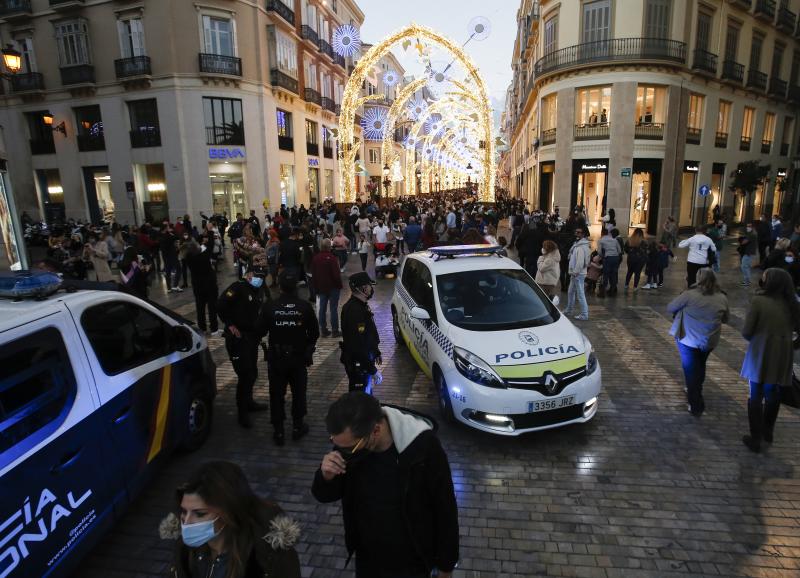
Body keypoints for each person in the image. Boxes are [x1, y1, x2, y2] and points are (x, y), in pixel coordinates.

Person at [311, 392, 459, 578]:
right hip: (368, 559)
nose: (341, 452)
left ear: (376, 431)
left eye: (349, 448)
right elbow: (325, 495)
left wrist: (446, 566)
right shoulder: (350, 446)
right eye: (334, 442)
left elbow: (445, 507)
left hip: (413, 561)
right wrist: (326, 476)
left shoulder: (423, 447)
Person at [161, 461, 301, 578]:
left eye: (200, 514)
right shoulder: (185, 550)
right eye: (184, 511)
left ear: (228, 513)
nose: (186, 522)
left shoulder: (265, 557)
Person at [740, 268, 800, 452]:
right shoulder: (793, 304)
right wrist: (789, 344)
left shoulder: (759, 301)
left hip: (760, 351)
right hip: (782, 354)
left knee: (756, 393)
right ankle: (768, 432)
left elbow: (747, 331)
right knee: (772, 391)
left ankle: (756, 437)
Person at [256, 270, 319, 445]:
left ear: (280, 286)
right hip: (298, 358)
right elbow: (314, 333)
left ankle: (279, 431)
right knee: (299, 393)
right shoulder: (304, 307)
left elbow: (259, 331)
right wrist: (307, 347)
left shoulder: (270, 306)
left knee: (276, 394)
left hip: (276, 359)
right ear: (296, 286)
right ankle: (298, 426)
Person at [667, 268, 730, 416]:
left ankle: (695, 404)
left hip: (688, 339)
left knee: (690, 369)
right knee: (700, 365)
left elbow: (670, 307)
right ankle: (696, 388)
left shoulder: (689, 295)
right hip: (709, 340)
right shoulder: (722, 298)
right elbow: (726, 319)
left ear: (698, 279)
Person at [217, 267, 270, 428]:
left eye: (262, 277)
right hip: (238, 339)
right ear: (248, 275)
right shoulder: (237, 287)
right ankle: (242, 413)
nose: (259, 279)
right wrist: (230, 324)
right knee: (245, 375)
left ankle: (249, 402)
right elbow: (221, 304)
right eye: (257, 276)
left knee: (252, 373)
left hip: (252, 338)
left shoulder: (259, 289)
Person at [339, 272, 382, 393]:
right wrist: (372, 370)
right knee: (360, 398)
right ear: (363, 288)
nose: (371, 289)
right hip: (359, 365)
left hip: (364, 362)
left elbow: (368, 334)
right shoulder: (354, 311)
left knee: (366, 394)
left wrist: (376, 351)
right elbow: (357, 345)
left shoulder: (361, 306)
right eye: (369, 286)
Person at [185, 238, 221, 336]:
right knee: (212, 308)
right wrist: (210, 234)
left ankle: (202, 328)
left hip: (198, 286)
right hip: (210, 286)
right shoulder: (204, 256)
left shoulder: (188, 257)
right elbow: (211, 245)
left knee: (200, 308)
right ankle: (214, 329)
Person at [311, 238, 343, 338]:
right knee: (333, 308)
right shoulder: (332, 258)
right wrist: (339, 285)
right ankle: (335, 330)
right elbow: (336, 274)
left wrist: (315, 288)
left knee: (322, 308)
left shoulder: (316, 258)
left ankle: (323, 330)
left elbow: (314, 275)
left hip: (321, 287)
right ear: (329, 246)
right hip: (333, 287)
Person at [563, 227, 591, 321]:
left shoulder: (581, 247)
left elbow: (580, 262)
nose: (576, 234)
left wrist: (575, 272)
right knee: (571, 292)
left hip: (578, 274)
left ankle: (584, 314)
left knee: (580, 294)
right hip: (575, 273)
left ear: (583, 234)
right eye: (576, 232)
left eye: (579, 232)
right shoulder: (577, 245)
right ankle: (569, 310)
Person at [598, 227, 621, 296]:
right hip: (616, 258)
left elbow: (599, 252)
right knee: (614, 274)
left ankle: (602, 292)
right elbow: (619, 250)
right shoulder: (614, 240)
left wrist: (602, 257)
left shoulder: (601, 240)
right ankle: (612, 291)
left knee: (606, 274)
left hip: (607, 258)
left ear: (602, 233)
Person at [738, 223, 758, 287]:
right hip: (749, 252)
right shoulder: (752, 234)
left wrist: (741, 239)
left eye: (749, 226)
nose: (748, 227)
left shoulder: (752, 235)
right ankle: (747, 280)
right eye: (747, 226)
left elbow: (744, 242)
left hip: (748, 253)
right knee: (747, 266)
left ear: (752, 227)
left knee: (744, 266)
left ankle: (747, 281)